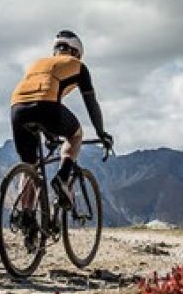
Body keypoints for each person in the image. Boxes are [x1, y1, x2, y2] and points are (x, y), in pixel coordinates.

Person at [9, 30, 113, 219]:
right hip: (46, 105)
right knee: (75, 134)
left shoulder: (37, 64)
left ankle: (26, 217)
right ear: (76, 53)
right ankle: (62, 179)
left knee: (29, 165)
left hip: (17, 108)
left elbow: (38, 95)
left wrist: (50, 135)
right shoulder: (77, 66)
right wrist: (101, 132)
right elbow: (91, 103)